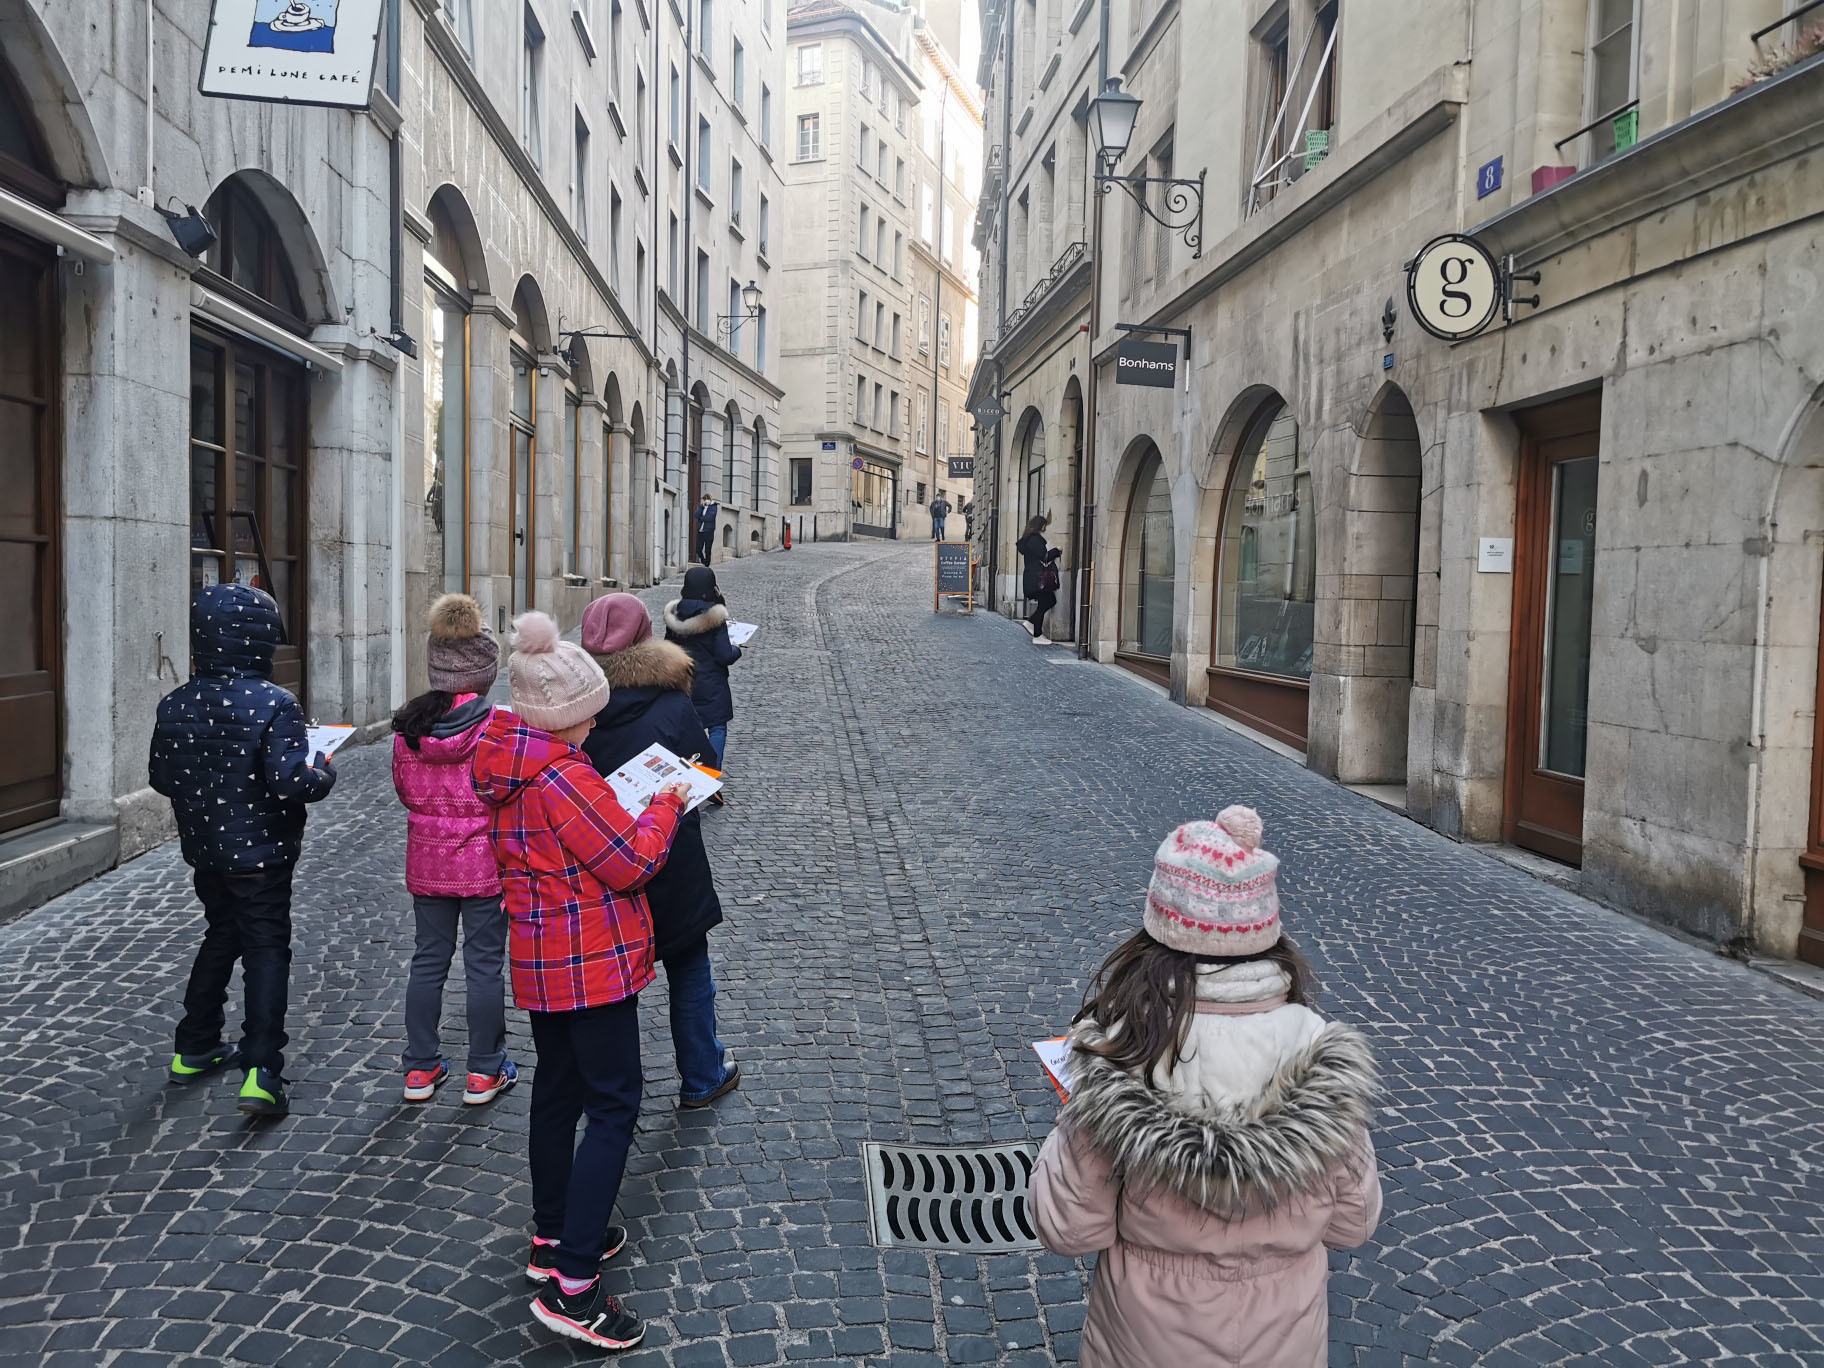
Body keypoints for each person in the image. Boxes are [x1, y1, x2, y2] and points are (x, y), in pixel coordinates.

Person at [1030, 806, 1382, 1368]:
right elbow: (1352, 1221)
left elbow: (1068, 1225)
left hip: (1146, 1341)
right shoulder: (1319, 1057)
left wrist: (1077, 1114)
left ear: (1156, 938)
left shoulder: (1123, 1057)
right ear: (1268, 933)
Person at [471, 610, 692, 1351]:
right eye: (589, 716)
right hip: (588, 962)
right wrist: (663, 804)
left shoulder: (513, 763)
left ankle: (554, 1235)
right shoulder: (562, 777)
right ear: (562, 718)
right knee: (613, 1107)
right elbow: (630, 861)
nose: (596, 729)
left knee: (556, 1095)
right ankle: (574, 1288)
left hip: (540, 957)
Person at [149, 583, 336, 1119]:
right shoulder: (276, 702)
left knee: (221, 933)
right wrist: (321, 773)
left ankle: (196, 1044)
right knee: (266, 949)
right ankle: (262, 1068)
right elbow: (289, 781)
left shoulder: (175, 702)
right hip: (263, 854)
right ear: (260, 642)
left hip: (206, 849)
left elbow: (161, 778)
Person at [580, 593, 741, 1109]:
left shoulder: (573, 711)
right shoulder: (672, 703)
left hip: (599, 860)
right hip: (670, 856)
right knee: (689, 966)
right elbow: (708, 766)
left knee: (610, 980)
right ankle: (702, 1073)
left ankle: (610, 1092)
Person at [390, 593, 515, 1106]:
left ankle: (419, 1069)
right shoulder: (496, 727)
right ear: (484, 674)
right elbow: (507, 790)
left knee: (428, 961)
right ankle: (484, 1071)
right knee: (484, 966)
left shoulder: (409, 729)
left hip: (427, 860)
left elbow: (404, 792)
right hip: (485, 863)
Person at [664, 565, 741, 792]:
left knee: (688, 728)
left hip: (684, 680)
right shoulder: (714, 616)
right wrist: (737, 649)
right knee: (717, 728)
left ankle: (687, 773)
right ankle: (711, 776)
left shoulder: (675, 613)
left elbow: (668, 649)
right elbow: (724, 655)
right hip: (712, 685)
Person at [1015, 514, 1063, 644]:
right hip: (1039, 578)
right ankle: (1036, 633)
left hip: (1033, 578)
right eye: (1044, 526)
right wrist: (1057, 550)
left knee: (1045, 602)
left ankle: (1034, 628)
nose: (1045, 529)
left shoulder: (1028, 539)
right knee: (1048, 601)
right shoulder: (1035, 540)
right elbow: (1045, 556)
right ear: (1040, 525)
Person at [694, 495, 719, 566]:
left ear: (710, 500)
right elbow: (696, 515)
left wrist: (701, 518)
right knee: (698, 549)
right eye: (705, 499)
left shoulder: (713, 506)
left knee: (707, 550)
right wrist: (701, 507)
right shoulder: (701, 507)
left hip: (709, 531)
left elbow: (710, 517)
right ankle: (703, 560)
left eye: (708, 499)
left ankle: (707, 564)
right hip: (700, 531)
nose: (706, 500)